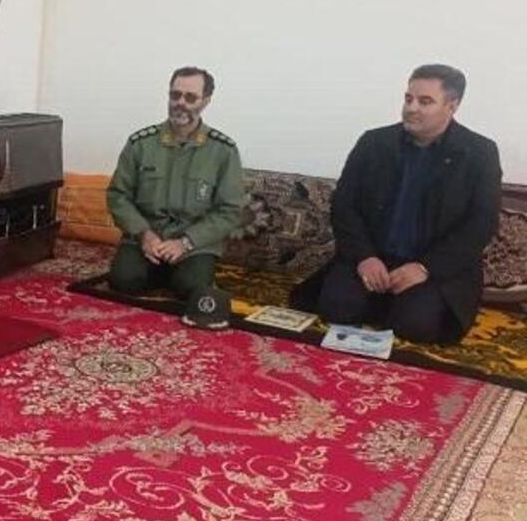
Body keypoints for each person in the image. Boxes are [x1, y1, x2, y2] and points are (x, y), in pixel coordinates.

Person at [292, 64, 501, 344]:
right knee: (337, 308)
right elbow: (344, 206)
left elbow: (481, 223)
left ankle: (394, 306)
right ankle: (377, 300)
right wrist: (365, 257)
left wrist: (425, 268)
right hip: (372, 258)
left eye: (425, 101)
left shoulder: (479, 153)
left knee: (415, 325)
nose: (411, 108)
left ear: (451, 106)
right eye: (408, 98)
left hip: (431, 269)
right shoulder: (374, 143)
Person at [104, 67, 245, 315]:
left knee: (191, 288)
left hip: (194, 244)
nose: (181, 103)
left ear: (206, 101)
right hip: (146, 238)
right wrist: (145, 235)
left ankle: (175, 274)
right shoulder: (141, 143)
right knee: (123, 281)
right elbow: (118, 195)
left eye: (190, 97)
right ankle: (158, 270)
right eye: (175, 95)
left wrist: (185, 242)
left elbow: (230, 210)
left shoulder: (223, 150)